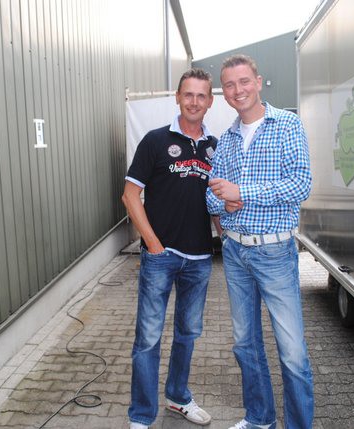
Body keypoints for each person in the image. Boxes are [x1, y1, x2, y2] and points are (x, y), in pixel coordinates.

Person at [206, 54, 314, 429]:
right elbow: (210, 196)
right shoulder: (227, 139)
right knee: (245, 344)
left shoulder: (287, 125)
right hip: (235, 252)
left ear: (258, 81)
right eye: (229, 85)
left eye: (243, 81)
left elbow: (300, 185)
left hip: (275, 252)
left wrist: (242, 192)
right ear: (224, 92)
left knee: (292, 352)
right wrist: (223, 201)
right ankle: (259, 418)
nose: (238, 90)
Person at [123, 68, 218, 429]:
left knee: (188, 333)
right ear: (178, 98)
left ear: (210, 101)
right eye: (188, 94)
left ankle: (178, 397)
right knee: (148, 338)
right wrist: (153, 244)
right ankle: (141, 416)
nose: (194, 101)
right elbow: (130, 196)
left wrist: (227, 240)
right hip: (161, 257)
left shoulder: (214, 147)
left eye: (201, 95)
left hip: (201, 258)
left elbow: (217, 202)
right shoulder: (155, 141)